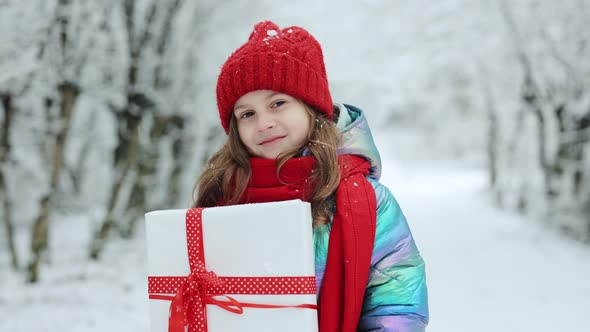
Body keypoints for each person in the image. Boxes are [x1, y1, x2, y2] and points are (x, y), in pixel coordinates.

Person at [194, 20, 429, 332]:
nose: (263, 123)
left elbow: (397, 298)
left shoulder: (368, 199)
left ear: (311, 107)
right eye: (247, 114)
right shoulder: (223, 195)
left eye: (278, 103)